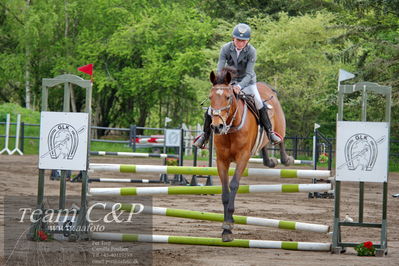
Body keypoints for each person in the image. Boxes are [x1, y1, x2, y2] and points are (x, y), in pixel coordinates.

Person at [194, 23, 282, 149]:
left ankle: (270, 132)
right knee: (211, 108)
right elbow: (220, 69)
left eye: (243, 41)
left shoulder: (251, 51)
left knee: (258, 102)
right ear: (233, 39)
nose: (240, 43)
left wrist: (240, 86)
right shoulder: (225, 48)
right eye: (238, 40)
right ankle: (205, 136)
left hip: (248, 82)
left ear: (248, 41)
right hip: (229, 82)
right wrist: (223, 84)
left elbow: (249, 74)